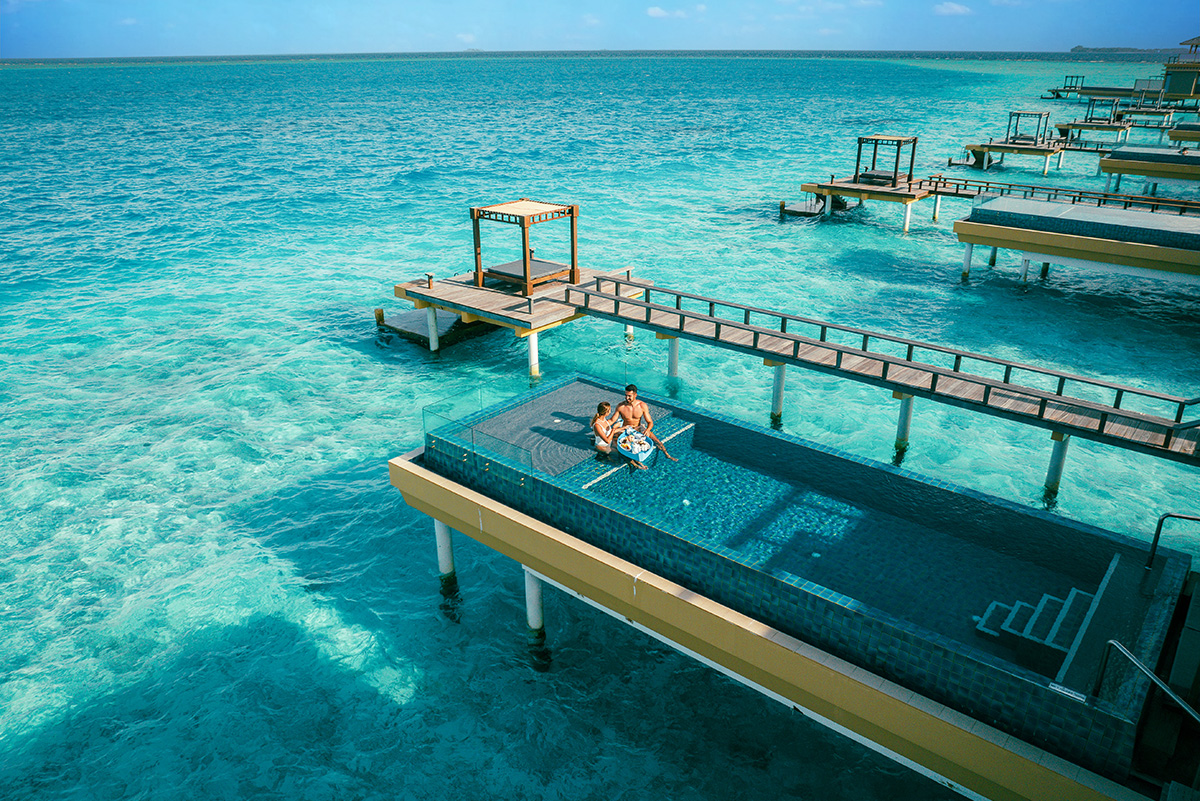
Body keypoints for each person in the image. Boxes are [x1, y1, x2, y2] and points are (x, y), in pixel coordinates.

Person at [615, 384, 678, 462]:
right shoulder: (621, 406)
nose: (627, 398)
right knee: (620, 447)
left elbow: (650, 422)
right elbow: (612, 420)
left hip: (638, 428)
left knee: (657, 441)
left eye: (629, 396)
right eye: (626, 395)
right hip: (626, 431)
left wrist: (647, 430)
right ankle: (633, 463)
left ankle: (667, 455)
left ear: (635, 395)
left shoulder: (642, 406)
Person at [591, 401, 646, 469]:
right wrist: (614, 428)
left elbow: (610, 432)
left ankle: (638, 462)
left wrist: (623, 428)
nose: (611, 411)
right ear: (606, 412)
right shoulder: (597, 425)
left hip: (609, 443)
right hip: (601, 446)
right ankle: (635, 465)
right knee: (620, 452)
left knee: (624, 448)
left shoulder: (604, 420)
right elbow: (607, 440)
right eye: (610, 410)